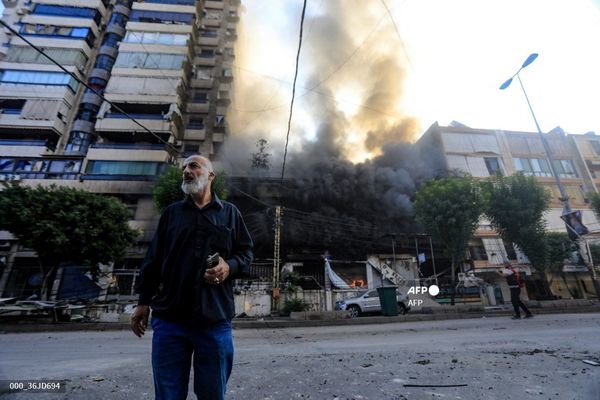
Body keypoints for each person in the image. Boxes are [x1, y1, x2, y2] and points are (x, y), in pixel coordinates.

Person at [131, 155, 253, 400]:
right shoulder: (171, 214)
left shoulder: (230, 213)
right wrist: (143, 302)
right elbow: (153, 260)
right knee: (168, 394)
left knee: (213, 393)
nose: (186, 170)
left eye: (194, 166)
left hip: (214, 321)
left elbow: (246, 253)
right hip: (170, 320)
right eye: (184, 167)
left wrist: (228, 267)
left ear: (210, 176)